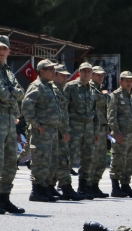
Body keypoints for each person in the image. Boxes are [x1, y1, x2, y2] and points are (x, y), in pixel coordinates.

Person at [22, 59, 63, 203]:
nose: (54, 72)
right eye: (50, 69)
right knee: (40, 160)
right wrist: (35, 123)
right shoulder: (37, 86)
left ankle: (45, 189)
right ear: (42, 72)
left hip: (51, 130)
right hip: (42, 131)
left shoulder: (50, 86)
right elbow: (27, 105)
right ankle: (36, 191)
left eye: (54, 69)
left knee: (50, 161)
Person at [0, 35, 24, 214]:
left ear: (9, 50)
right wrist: (12, 93)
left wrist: (12, 92)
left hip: (10, 120)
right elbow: (1, 93)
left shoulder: (8, 71)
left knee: (11, 160)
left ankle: (4, 198)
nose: (1, 51)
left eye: (4, 48)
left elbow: (21, 92)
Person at [62, 62, 96, 201]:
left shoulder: (92, 89)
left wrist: (96, 130)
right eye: (84, 71)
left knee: (88, 158)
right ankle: (65, 186)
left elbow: (95, 111)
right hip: (74, 126)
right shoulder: (70, 87)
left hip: (88, 126)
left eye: (89, 71)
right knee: (69, 157)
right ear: (79, 72)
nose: (86, 74)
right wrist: (65, 129)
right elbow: (64, 108)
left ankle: (83, 187)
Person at [107, 71, 132, 198]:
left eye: (131, 81)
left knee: (130, 161)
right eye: (126, 80)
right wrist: (116, 132)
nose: (129, 83)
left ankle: (125, 186)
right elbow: (111, 116)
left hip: (131, 135)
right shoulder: (115, 96)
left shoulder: (131, 96)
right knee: (118, 160)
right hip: (120, 134)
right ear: (120, 81)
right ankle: (115, 188)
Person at [48, 64, 73, 201]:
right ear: (55, 75)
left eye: (66, 75)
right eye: (62, 75)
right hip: (55, 130)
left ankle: (54, 186)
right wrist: (63, 131)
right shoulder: (53, 90)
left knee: (60, 159)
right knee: (58, 159)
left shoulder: (61, 90)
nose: (65, 78)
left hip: (60, 130)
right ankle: (62, 187)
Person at [88, 65, 110, 199]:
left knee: (101, 160)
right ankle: (89, 185)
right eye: (98, 75)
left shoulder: (98, 89)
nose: (101, 77)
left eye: (102, 75)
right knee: (93, 159)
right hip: (93, 128)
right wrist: (105, 96)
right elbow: (101, 100)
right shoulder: (91, 88)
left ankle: (95, 185)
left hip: (102, 127)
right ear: (92, 75)